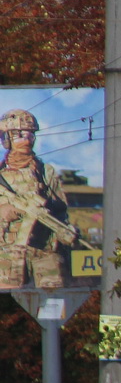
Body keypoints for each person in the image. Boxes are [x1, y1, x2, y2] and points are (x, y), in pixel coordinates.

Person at [0, 108, 81, 291]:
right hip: (8, 255)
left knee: (54, 302)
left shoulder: (45, 172)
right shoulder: (1, 176)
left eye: (30, 134)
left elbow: (61, 209)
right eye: (19, 134)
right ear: (7, 139)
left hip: (45, 254)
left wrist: (64, 230)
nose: (26, 139)